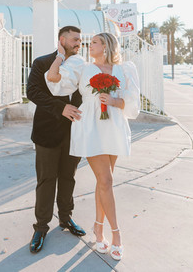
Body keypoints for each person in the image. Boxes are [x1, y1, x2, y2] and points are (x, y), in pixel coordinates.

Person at [46, 32, 140, 261]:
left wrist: (114, 101)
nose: (90, 45)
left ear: (106, 46)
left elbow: (132, 101)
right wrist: (59, 57)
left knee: (103, 183)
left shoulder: (124, 69)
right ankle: (116, 234)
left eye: (95, 42)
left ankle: (98, 228)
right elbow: (54, 79)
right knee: (106, 181)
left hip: (114, 126)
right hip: (91, 128)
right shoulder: (82, 67)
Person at [26, 25, 86, 254]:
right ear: (62, 40)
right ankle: (40, 227)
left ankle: (65, 218)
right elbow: (33, 92)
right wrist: (60, 108)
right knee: (46, 180)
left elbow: (84, 94)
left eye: (80, 40)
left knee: (68, 178)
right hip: (46, 131)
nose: (79, 43)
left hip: (74, 132)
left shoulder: (82, 65)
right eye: (74, 40)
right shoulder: (42, 62)